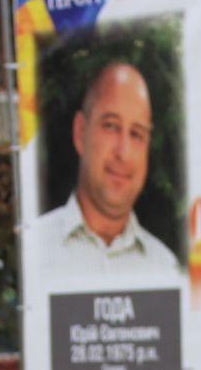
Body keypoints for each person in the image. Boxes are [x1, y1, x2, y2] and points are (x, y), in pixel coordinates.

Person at [32, 59, 174, 277]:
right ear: (80, 132)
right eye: (110, 126)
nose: (123, 152)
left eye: (136, 134)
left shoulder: (166, 268)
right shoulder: (34, 249)